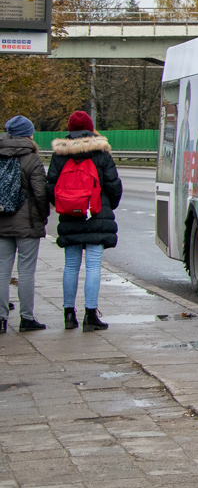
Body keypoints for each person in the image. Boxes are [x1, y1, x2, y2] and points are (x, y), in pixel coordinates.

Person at [47, 110, 122, 331]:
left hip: (70, 216)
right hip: (96, 215)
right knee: (93, 266)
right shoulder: (101, 153)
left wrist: (65, 205)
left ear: (70, 130)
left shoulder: (60, 155)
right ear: (90, 128)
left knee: (70, 266)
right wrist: (108, 205)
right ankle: (91, 315)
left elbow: (51, 186)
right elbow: (113, 185)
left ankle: (69, 315)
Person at [0, 116, 50, 333]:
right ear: (29, 134)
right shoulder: (32, 159)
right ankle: (27, 318)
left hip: (1, 221)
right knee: (26, 271)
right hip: (27, 223)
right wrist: (43, 216)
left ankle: (1, 318)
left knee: (2, 271)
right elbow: (40, 193)